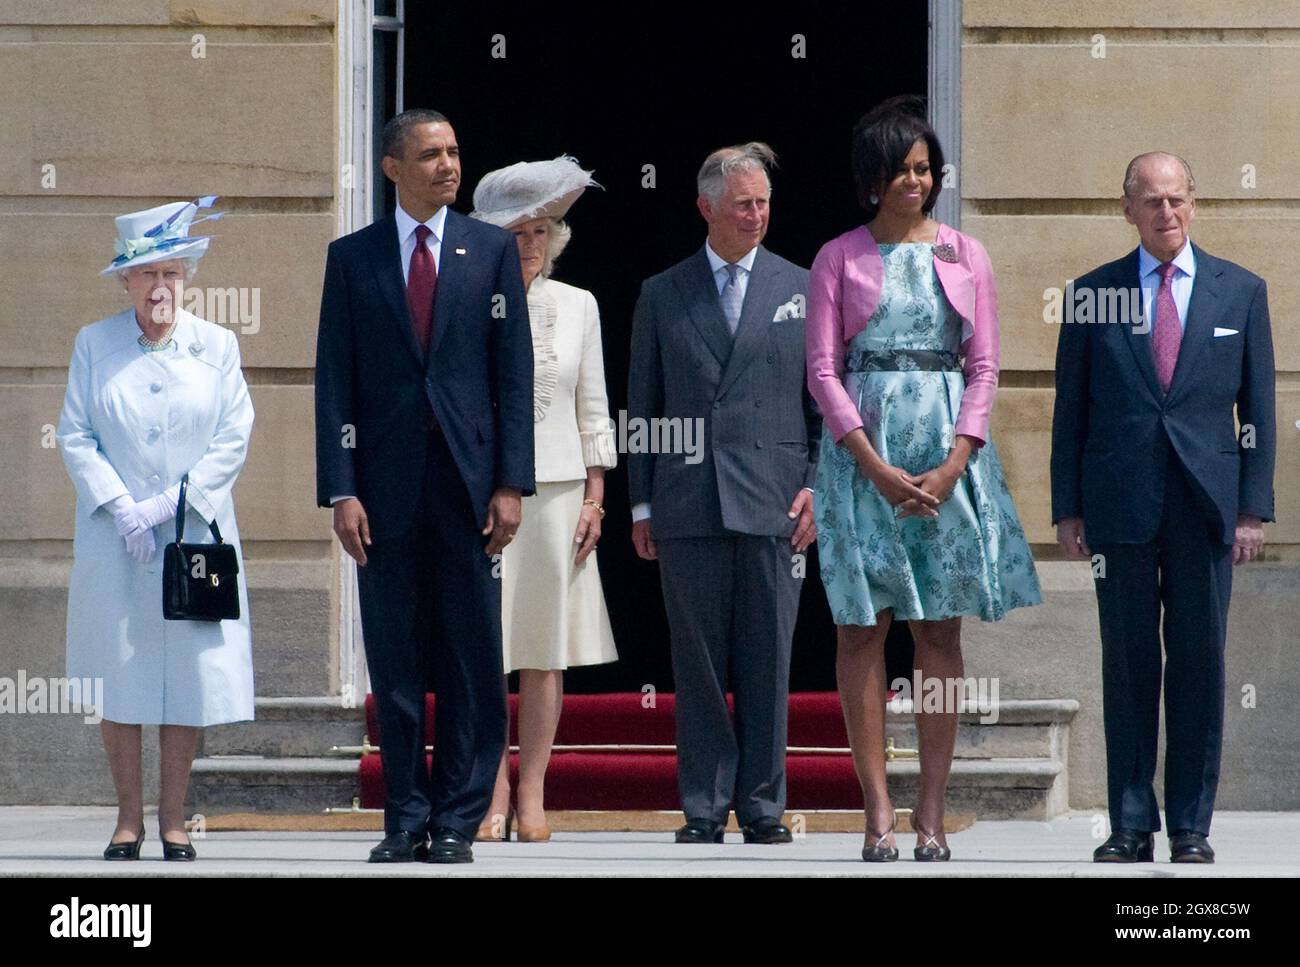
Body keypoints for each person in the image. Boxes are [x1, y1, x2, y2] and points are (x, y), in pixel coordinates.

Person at [806, 96, 1041, 863]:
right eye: (900, 170)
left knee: (939, 631)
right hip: (860, 461)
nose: (916, 182)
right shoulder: (837, 257)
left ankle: (932, 808)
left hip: (947, 459)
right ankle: (878, 807)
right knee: (860, 628)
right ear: (870, 178)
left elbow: (984, 364)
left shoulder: (967, 254)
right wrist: (870, 463)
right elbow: (821, 369)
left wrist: (954, 461)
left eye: (924, 169)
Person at [314, 109, 534, 864]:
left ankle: (456, 820)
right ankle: (404, 816)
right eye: (431, 154)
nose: (447, 165)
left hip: (470, 490)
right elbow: (334, 383)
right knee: (397, 660)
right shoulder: (353, 259)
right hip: (384, 492)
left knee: (473, 660)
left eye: (454, 151)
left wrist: (511, 483)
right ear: (392, 167)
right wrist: (341, 488)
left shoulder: (492, 252)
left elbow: (513, 376)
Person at [1051, 151, 1275, 864]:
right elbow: (1071, 413)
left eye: (1177, 199)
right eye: (1151, 201)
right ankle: (1128, 822)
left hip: (1206, 506)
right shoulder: (1093, 294)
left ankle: (1189, 824)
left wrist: (1251, 510)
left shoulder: (1240, 292)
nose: (1166, 212)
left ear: (1195, 204)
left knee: (1200, 667)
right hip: (1119, 505)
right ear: (1128, 210)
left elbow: (1260, 411)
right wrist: (1068, 507)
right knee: (1127, 663)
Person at [627, 142, 819, 845]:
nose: (757, 214)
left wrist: (817, 489)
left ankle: (764, 804)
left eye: (764, 201)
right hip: (688, 500)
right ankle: (704, 804)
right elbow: (642, 405)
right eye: (744, 203)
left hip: (775, 500)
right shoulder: (662, 291)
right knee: (699, 660)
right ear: (707, 206)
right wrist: (641, 503)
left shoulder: (800, 286)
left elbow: (823, 402)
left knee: (769, 657)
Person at [58, 197, 255, 861]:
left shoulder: (217, 346)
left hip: (192, 535)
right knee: (121, 673)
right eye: (147, 274)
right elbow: (77, 434)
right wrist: (122, 506)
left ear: (187, 278)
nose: (160, 286)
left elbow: (233, 436)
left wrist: (172, 504)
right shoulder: (95, 343)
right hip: (118, 539)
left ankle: (172, 819)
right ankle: (125, 819)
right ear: (125, 282)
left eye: (171, 272)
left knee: (184, 678)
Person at [469, 156, 618, 842]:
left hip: (559, 491)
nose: (529, 243)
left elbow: (594, 408)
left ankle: (532, 791)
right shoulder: (467, 300)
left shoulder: (579, 304)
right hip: (481, 495)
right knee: (483, 646)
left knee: (543, 648)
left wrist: (597, 496)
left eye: (540, 231)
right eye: (517, 231)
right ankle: (490, 789)